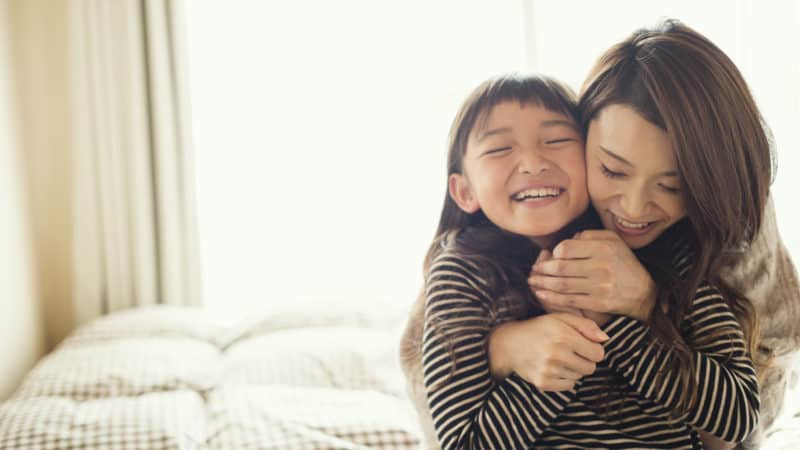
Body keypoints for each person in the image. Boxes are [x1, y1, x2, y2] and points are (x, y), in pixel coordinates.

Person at [401, 19, 785, 449]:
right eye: (612, 170)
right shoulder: (463, 272)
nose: (634, 209)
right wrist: (531, 349)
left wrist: (632, 313)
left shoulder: (683, 253)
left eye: (672, 186)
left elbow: (738, 417)